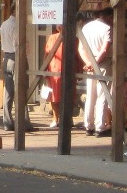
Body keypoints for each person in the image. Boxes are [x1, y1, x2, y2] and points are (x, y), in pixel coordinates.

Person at [78, 7, 113, 137]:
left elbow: (81, 48)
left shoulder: (86, 27)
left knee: (91, 94)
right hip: (103, 62)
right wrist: (96, 63)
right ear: (108, 17)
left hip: (89, 62)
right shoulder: (107, 29)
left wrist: (88, 63)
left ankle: (89, 125)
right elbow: (104, 50)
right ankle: (100, 126)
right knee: (102, 94)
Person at [0, 4, 32, 132]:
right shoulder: (16, 25)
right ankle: (23, 122)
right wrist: (26, 52)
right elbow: (21, 44)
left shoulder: (4, 24)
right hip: (17, 57)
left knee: (9, 90)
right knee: (22, 88)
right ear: (16, 11)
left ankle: (7, 121)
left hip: (7, 57)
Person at [43, 25, 79, 128]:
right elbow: (47, 53)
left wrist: (44, 68)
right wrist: (44, 68)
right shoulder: (53, 38)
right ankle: (58, 118)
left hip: (63, 68)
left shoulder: (73, 39)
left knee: (64, 95)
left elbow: (77, 55)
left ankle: (63, 119)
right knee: (57, 95)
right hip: (57, 69)